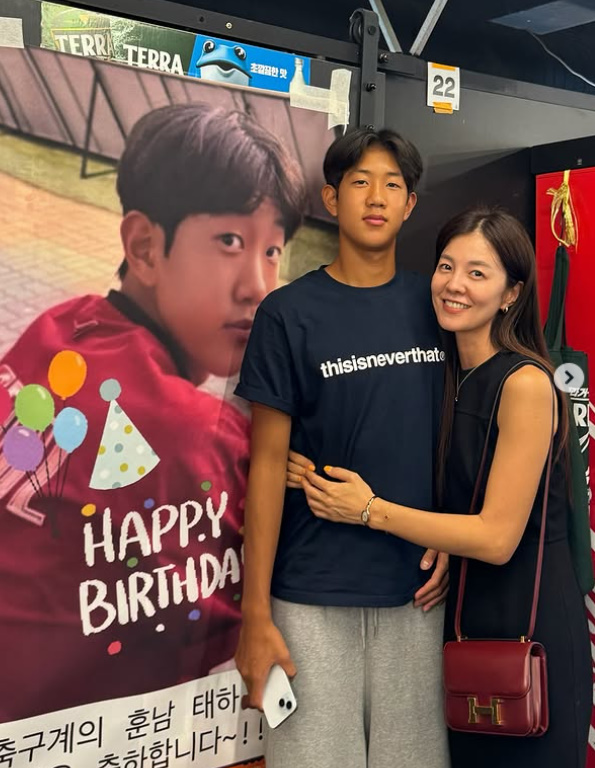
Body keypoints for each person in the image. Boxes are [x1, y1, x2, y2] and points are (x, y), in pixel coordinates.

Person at [0, 102, 306, 721]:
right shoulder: (193, 435)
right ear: (144, 247)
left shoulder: (60, 327)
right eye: (230, 241)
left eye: (273, 251)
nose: (258, 286)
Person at [291, 206, 591, 768]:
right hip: (465, 624)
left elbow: (497, 537)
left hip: (531, 630)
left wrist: (369, 510)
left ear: (511, 294)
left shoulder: (525, 383)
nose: (455, 285)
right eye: (447, 266)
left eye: (478, 273)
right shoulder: (447, 374)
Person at [235, 127, 450, 768]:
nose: (376, 197)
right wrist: (255, 615)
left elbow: (462, 435)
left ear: (410, 204)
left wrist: (451, 535)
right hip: (309, 596)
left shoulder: (438, 308)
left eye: (392, 185)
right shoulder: (287, 314)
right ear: (331, 199)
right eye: (359, 182)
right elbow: (267, 466)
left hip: (416, 596)